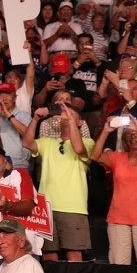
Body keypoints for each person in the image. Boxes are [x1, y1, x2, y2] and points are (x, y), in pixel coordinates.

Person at [22, 103, 94, 262]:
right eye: (63, 114)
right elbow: (27, 143)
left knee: (74, 254)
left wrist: (70, 120)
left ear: (80, 122)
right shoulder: (48, 142)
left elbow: (77, 147)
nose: (65, 116)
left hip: (73, 207)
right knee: (48, 255)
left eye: (70, 114)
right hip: (46, 208)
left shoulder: (88, 142)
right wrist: (35, 119)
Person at [90, 117, 137, 265]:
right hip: (118, 219)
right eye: (129, 133)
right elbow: (94, 156)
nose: (133, 135)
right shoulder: (117, 157)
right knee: (118, 266)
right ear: (125, 139)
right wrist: (105, 131)